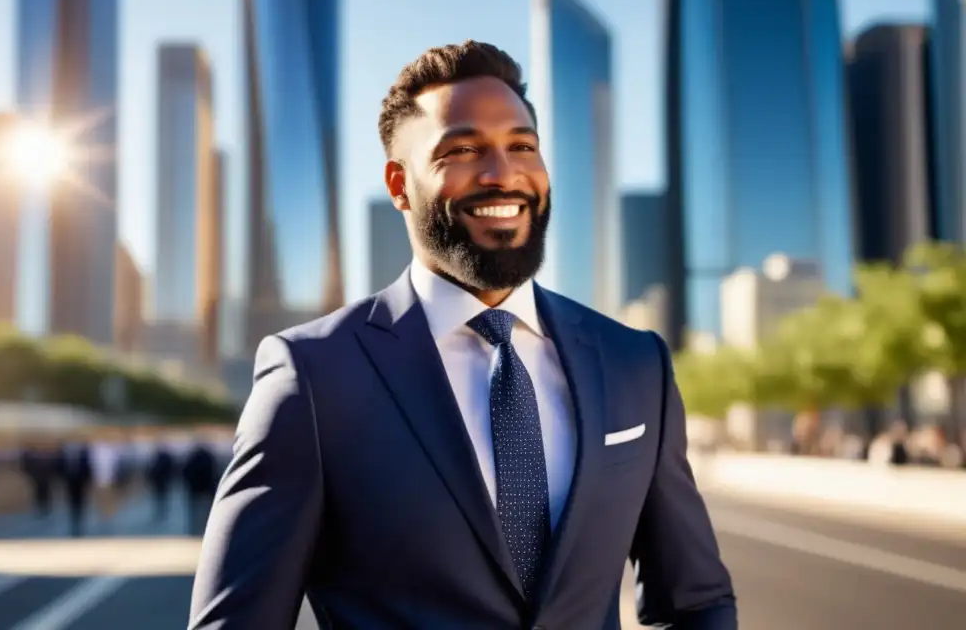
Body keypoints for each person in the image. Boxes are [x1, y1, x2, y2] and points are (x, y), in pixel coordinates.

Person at [190, 41, 737, 629]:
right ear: (400, 185)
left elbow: (697, 600)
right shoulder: (313, 376)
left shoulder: (636, 364)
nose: (503, 174)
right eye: (464, 149)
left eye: (522, 146)